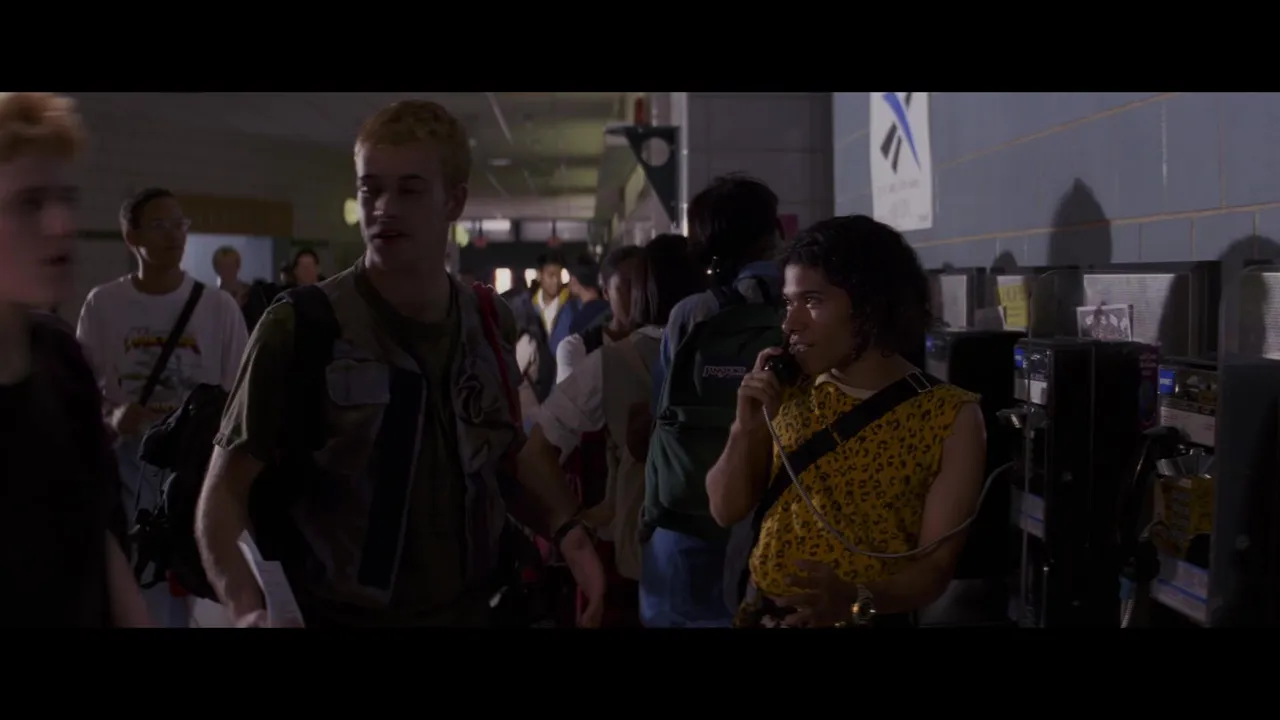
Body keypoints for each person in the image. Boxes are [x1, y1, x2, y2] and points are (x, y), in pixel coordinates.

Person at [194, 99, 604, 629]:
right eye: (371, 189)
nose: (384, 208)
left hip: (475, 608)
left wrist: (567, 532)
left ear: (454, 201)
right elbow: (223, 496)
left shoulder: (485, 321)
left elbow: (503, 459)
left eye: (409, 190)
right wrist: (248, 608)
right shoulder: (303, 326)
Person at [706, 215, 986, 628]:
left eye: (812, 301)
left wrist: (857, 599)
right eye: (789, 303)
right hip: (763, 614)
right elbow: (724, 509)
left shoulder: (949, 416)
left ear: (870, 306)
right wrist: (745, 427)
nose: (790, 323)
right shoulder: (788, 388)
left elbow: (935, 569)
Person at [0, 91, 151, 627]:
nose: (63, 223)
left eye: (66, 198)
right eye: (29, 203)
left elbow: (96, 531)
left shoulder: (61, 358)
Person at [76, 186, 249, 627]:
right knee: (144, 599)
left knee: (204, 598)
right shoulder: (104, 305)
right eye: (159, 225)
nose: (174, 235)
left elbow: (241, 396)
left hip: (198, 476)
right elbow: (82, 396)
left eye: (179, 224)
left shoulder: (218, 308)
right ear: (131, 236)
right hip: (131, 478)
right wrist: (113, 417)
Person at [519, 234, 705, 627]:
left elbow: (536, 451)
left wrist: (572, 529)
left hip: (639, 551)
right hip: (729, 552)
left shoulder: (610, 362)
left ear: (647, 292)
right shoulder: (741, 355)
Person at [639, 174, 778, 628]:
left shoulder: (693, 313)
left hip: (690, 509)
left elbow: (662, 406)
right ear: (772, 233)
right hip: (773, 510)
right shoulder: (804, 305)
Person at [554, 245, 643, 384]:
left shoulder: (661, 342)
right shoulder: (577, 346)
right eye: (627, 287)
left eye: (643, 286)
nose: (638, 296)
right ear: (606, 292)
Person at [212, 245, 276, 331]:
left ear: (238, 266)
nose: (227, 271)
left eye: (230, 266)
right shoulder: (213, 298)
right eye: (223, 267)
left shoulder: (252, 293)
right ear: (216, 269)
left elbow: (260, 322)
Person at [566, 254, 608, 337]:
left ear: (575, 280)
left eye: (570, 278)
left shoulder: (578, 323)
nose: (569, 283)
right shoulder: (611, 309)